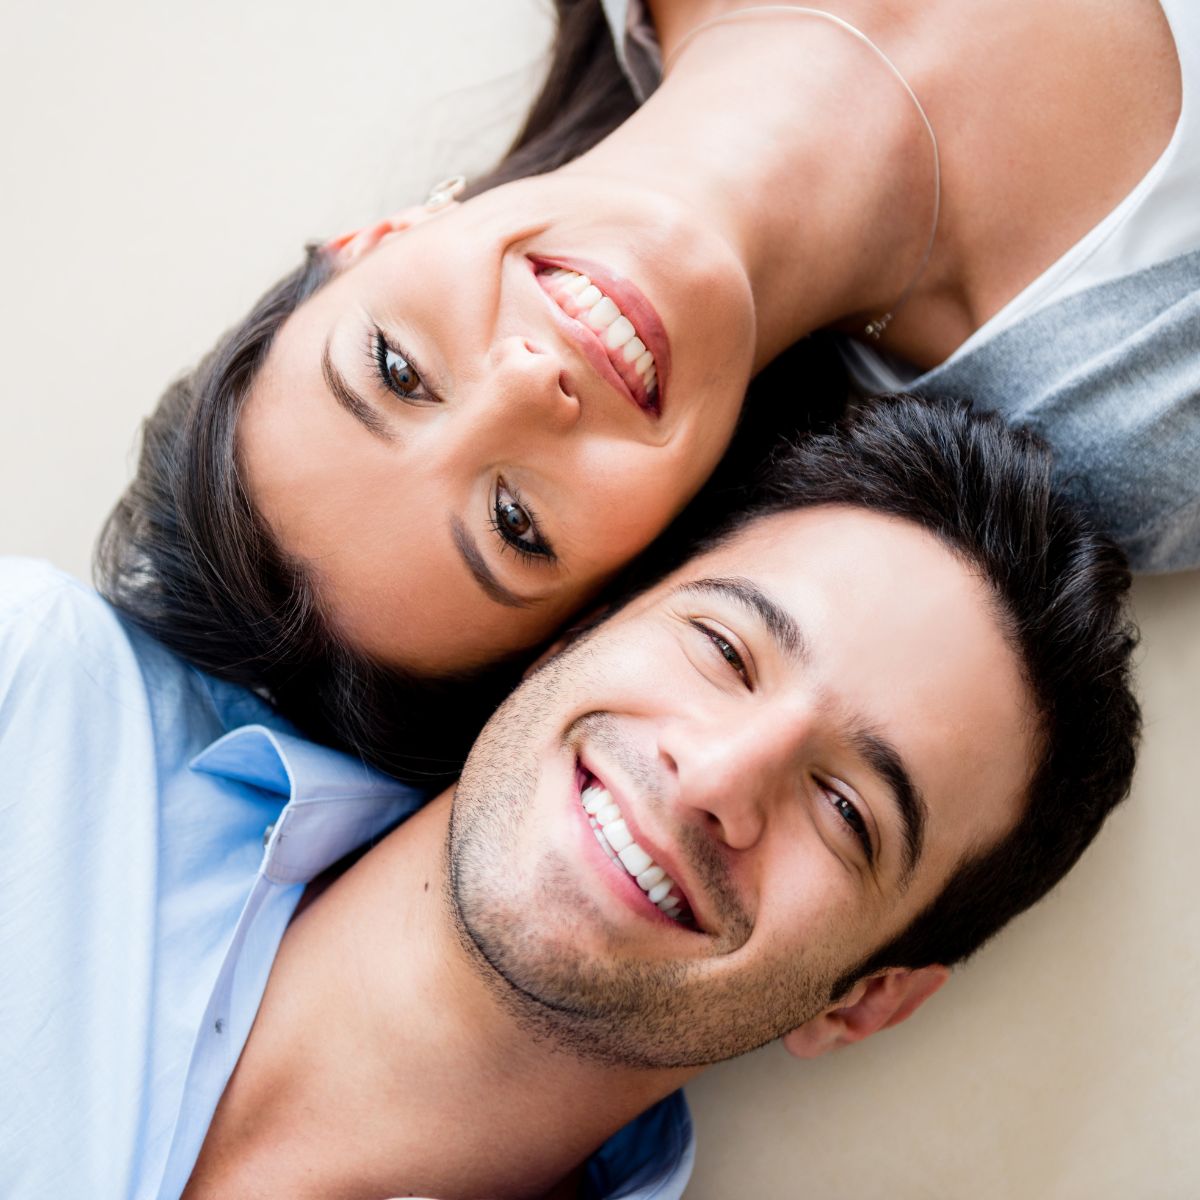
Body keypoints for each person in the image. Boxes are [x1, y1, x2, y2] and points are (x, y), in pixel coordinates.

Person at [3, 398, 1140, 1199]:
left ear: (864, 1001)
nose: (715, 778)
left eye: (848, 814)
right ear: (580, 624)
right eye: (723, 649)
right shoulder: (29, 698)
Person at [97, 0, 1194, 785]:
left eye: (396, 371)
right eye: (515, 523)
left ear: (379, 239)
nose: (529, 384)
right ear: (647, 570)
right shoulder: (1128, 407)